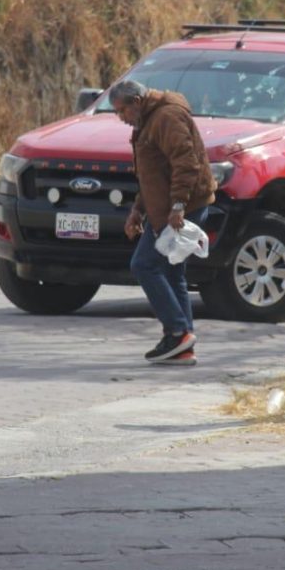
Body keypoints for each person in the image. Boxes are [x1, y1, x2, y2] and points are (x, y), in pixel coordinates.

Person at [110, 80, 217, 366]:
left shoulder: (167, 117)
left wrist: (179, 206)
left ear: (137, 101)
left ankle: (177, 332)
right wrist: (138, 210)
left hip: (182, 209)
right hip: (165, 210)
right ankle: (183, 346)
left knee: (143, 265)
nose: (121, 118)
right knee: (172, 275)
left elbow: (187, 162)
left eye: (122, 111)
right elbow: (152, 174)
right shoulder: (146, 121)